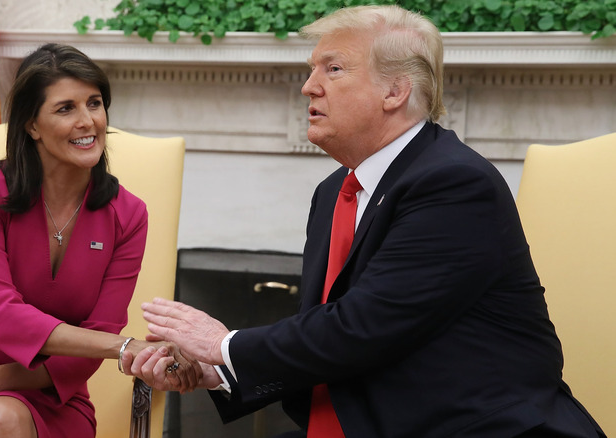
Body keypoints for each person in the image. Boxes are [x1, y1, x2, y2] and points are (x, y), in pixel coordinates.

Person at [126, 5, 606, 437]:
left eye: (332, 69)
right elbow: (325, 332)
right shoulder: (335, 190)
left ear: (395, 91)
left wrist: (222, 344)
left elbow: (361, 329)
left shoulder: (455, 184)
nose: (308, 85)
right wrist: (219, 371)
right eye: (312, 69)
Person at [0, 43, 199, 438]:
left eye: (95, 103)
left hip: (52, 391)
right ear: (32, 125)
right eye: (65, 108)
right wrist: (123, 347)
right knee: (2, 418)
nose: (88, 121)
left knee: (4, 415)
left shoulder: (129, 214)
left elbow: (97, 334)